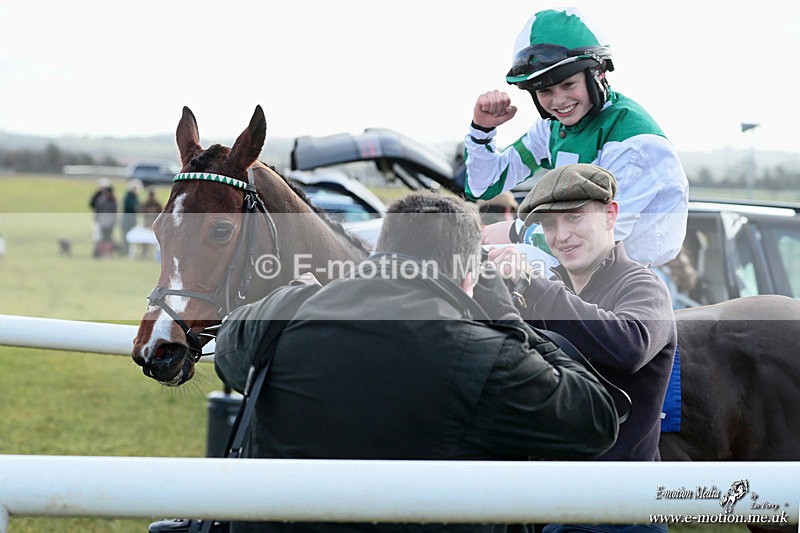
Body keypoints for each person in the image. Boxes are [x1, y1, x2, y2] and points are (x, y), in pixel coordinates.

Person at [215, 192, 619, 533]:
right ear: (467, 276)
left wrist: (292, 296)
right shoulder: (489, 355)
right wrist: (506, 319)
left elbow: (229, 351)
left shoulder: (281, 324)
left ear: (380, 252)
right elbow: (596, 420)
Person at [488, 164, 676, 533]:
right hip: (551, 505)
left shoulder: (642, 285)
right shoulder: (543, 291)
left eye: (574, 218)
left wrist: (534, 286)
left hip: (619, 512)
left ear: (610, 214)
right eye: (550, 225)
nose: (562, 236)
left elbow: (629, 345)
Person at [465, 7, 688, 267]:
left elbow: (599, 234)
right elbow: (484, 184)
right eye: (545, 90)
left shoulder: (636, 143)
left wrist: (517, 232)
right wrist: (482, 130)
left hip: (630, 279)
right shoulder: (551, 128)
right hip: (577, 265)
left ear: (599, 73)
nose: (559, 101)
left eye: (568, 85)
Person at [90, 179, 117, 258]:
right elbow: (93, 205)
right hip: (100, 221)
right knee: (99, 237)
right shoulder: (99, 198)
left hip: (108, 222)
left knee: (107, 238)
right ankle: (99, 253)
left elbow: (114, 211)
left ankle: (107, 254)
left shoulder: (112, 199)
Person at [120, 179, 142, 255]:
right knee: (126, 236)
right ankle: (125, 251)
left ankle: (129, 251)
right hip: (127, 219)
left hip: (133, 220)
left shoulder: (135, 197)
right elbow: (130, 207)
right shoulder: (128, 196)